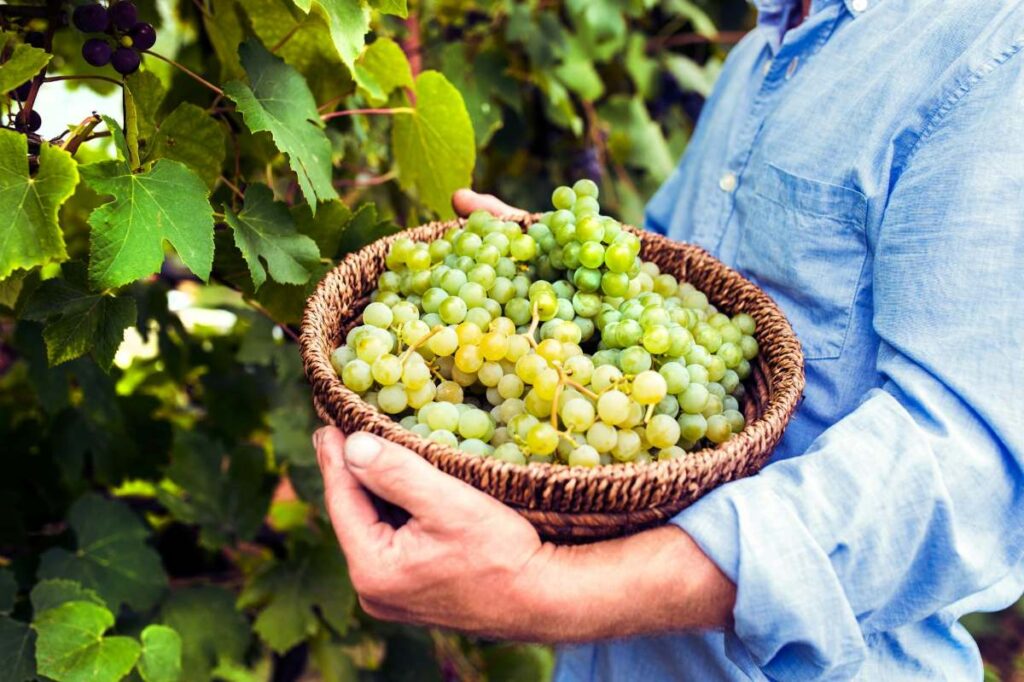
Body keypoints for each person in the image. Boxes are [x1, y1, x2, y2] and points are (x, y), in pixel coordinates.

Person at [313, 0, 1024, 678]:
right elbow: (659, 297)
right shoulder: (760, 53)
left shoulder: (993, 55)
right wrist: (548, 275)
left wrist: (554, 587)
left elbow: (964, 468)